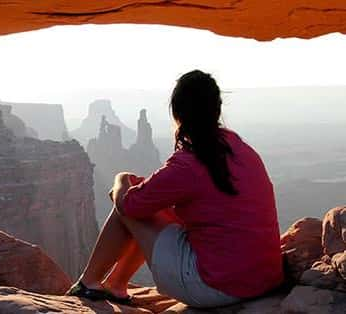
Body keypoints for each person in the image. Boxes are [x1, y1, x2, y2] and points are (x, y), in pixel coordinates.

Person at [66, 70, 284, 308]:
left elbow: (129, 205)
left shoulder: (189, 162)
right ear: (217, 110)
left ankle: (89, 283)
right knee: (148, 203)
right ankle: (116, 285)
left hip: (216, 287)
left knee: (130, 206)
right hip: (265, 280)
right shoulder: (240, 148)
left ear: (178, 112)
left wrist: (120, 180)